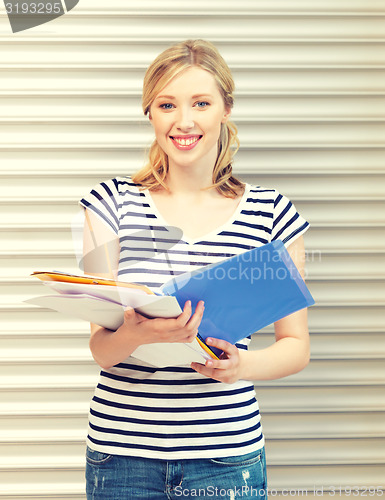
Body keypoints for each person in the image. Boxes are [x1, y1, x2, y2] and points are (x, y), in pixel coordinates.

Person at [79, 39, 311, 500]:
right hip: (122, 457)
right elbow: (102, 351)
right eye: (167, 104)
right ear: (151, 113)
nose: (183, 121)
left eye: (200, 103)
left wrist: (242, 364)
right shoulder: (109, 205)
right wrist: (138, 335)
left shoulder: (273, 215)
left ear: (225, 107)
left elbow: (296, 347)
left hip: (225, 458)